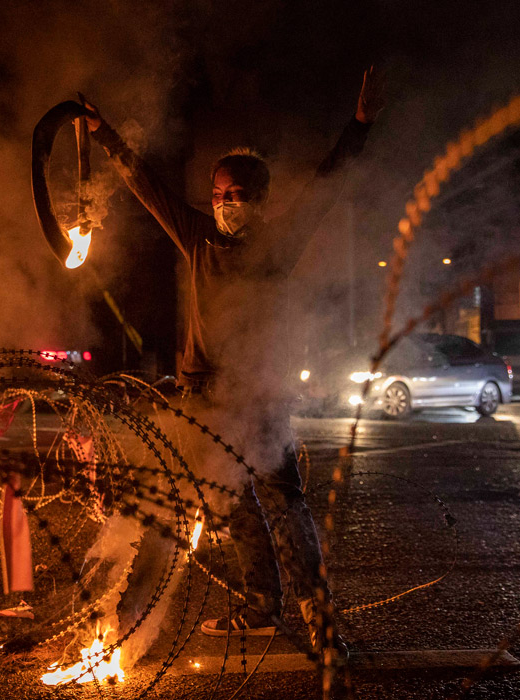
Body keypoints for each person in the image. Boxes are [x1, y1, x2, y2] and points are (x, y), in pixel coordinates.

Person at [83, 67, 384, 657]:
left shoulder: (280, 240)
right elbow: (147, 185)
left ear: (262, 201)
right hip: (204, 399)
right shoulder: (196, 237)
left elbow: (330, 181)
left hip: (260, 396)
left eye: (237, 195)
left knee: (282, 503)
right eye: (218, 195)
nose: (225, 205)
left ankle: (320, 623)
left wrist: (360, 125)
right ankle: (261, 606)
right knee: (236, 505)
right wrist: (103, 133)